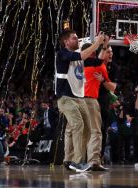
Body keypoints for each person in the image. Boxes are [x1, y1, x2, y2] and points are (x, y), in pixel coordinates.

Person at [55, 29, 105, 172]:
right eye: (74, 38)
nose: (77, 40)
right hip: (65, 97)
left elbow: (99, 60)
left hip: (78, 97)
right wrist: (97, 43)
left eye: (77, 38)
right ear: (66, 42)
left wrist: (104, 46)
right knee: (77, 125)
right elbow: (82, 54)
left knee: (87, 128)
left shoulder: (79, 58)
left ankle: (75, 161)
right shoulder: (62, 53)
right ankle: (77, 162)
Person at [81, 41, 115, 171]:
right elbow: (112, 87)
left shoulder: (74, 64)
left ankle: (75, 161)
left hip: (76, 100)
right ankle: (94, 161)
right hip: (90, 100)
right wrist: (103, 43)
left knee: (80, 132)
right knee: (95, 131)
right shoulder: (98, 66)